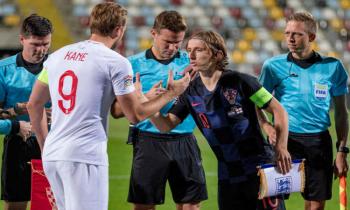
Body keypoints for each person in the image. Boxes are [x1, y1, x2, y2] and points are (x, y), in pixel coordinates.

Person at [26, 2, 190, 210]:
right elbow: (135, 115)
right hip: (85, 155)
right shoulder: (116, 62)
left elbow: (34, 104)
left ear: (91, 24)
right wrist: (173, 92)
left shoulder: (58, 56)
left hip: (53, 153)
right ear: (119, 30)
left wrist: (45, 145)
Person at [148, 30, 292, 210]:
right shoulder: (189, 91)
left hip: (259, 168)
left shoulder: (241, 81)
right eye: (189, 50)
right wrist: (149, 105)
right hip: (227, 175)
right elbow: (166, 124)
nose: (191, 55)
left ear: (217, 54)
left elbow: (279, 110)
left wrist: (281, 147)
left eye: (199, 50)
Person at [110, 10, 207, 210]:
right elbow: (117, 111)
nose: (172, 47)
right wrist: (143, 96)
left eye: (177, 42)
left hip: (185, 139)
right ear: (154, 33)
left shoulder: (190, 63)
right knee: (144, 205)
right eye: (167, 41)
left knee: (191, 205)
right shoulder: (132, 64)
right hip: (148, 140)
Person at [258, 12, 349, 210]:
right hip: (283, 140)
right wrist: (266, 125)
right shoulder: (272, 66)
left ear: (312, 37)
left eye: (297, 34)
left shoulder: (333, 67)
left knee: (315, 205)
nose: (290, 38)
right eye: (287, 33)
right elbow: (256, 102)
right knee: (273, 203)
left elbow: (342, 112)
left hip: (318, 142)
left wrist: (342, 151)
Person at [0, 14, 52, 210]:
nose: (41, 50)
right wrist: (16, 113)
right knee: (16, 205)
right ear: (22, 39)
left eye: (45, 44)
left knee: (51, 203)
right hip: (19, 142)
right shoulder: (3, 70)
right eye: (35, 44)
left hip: (53, 140)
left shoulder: (59, 66)